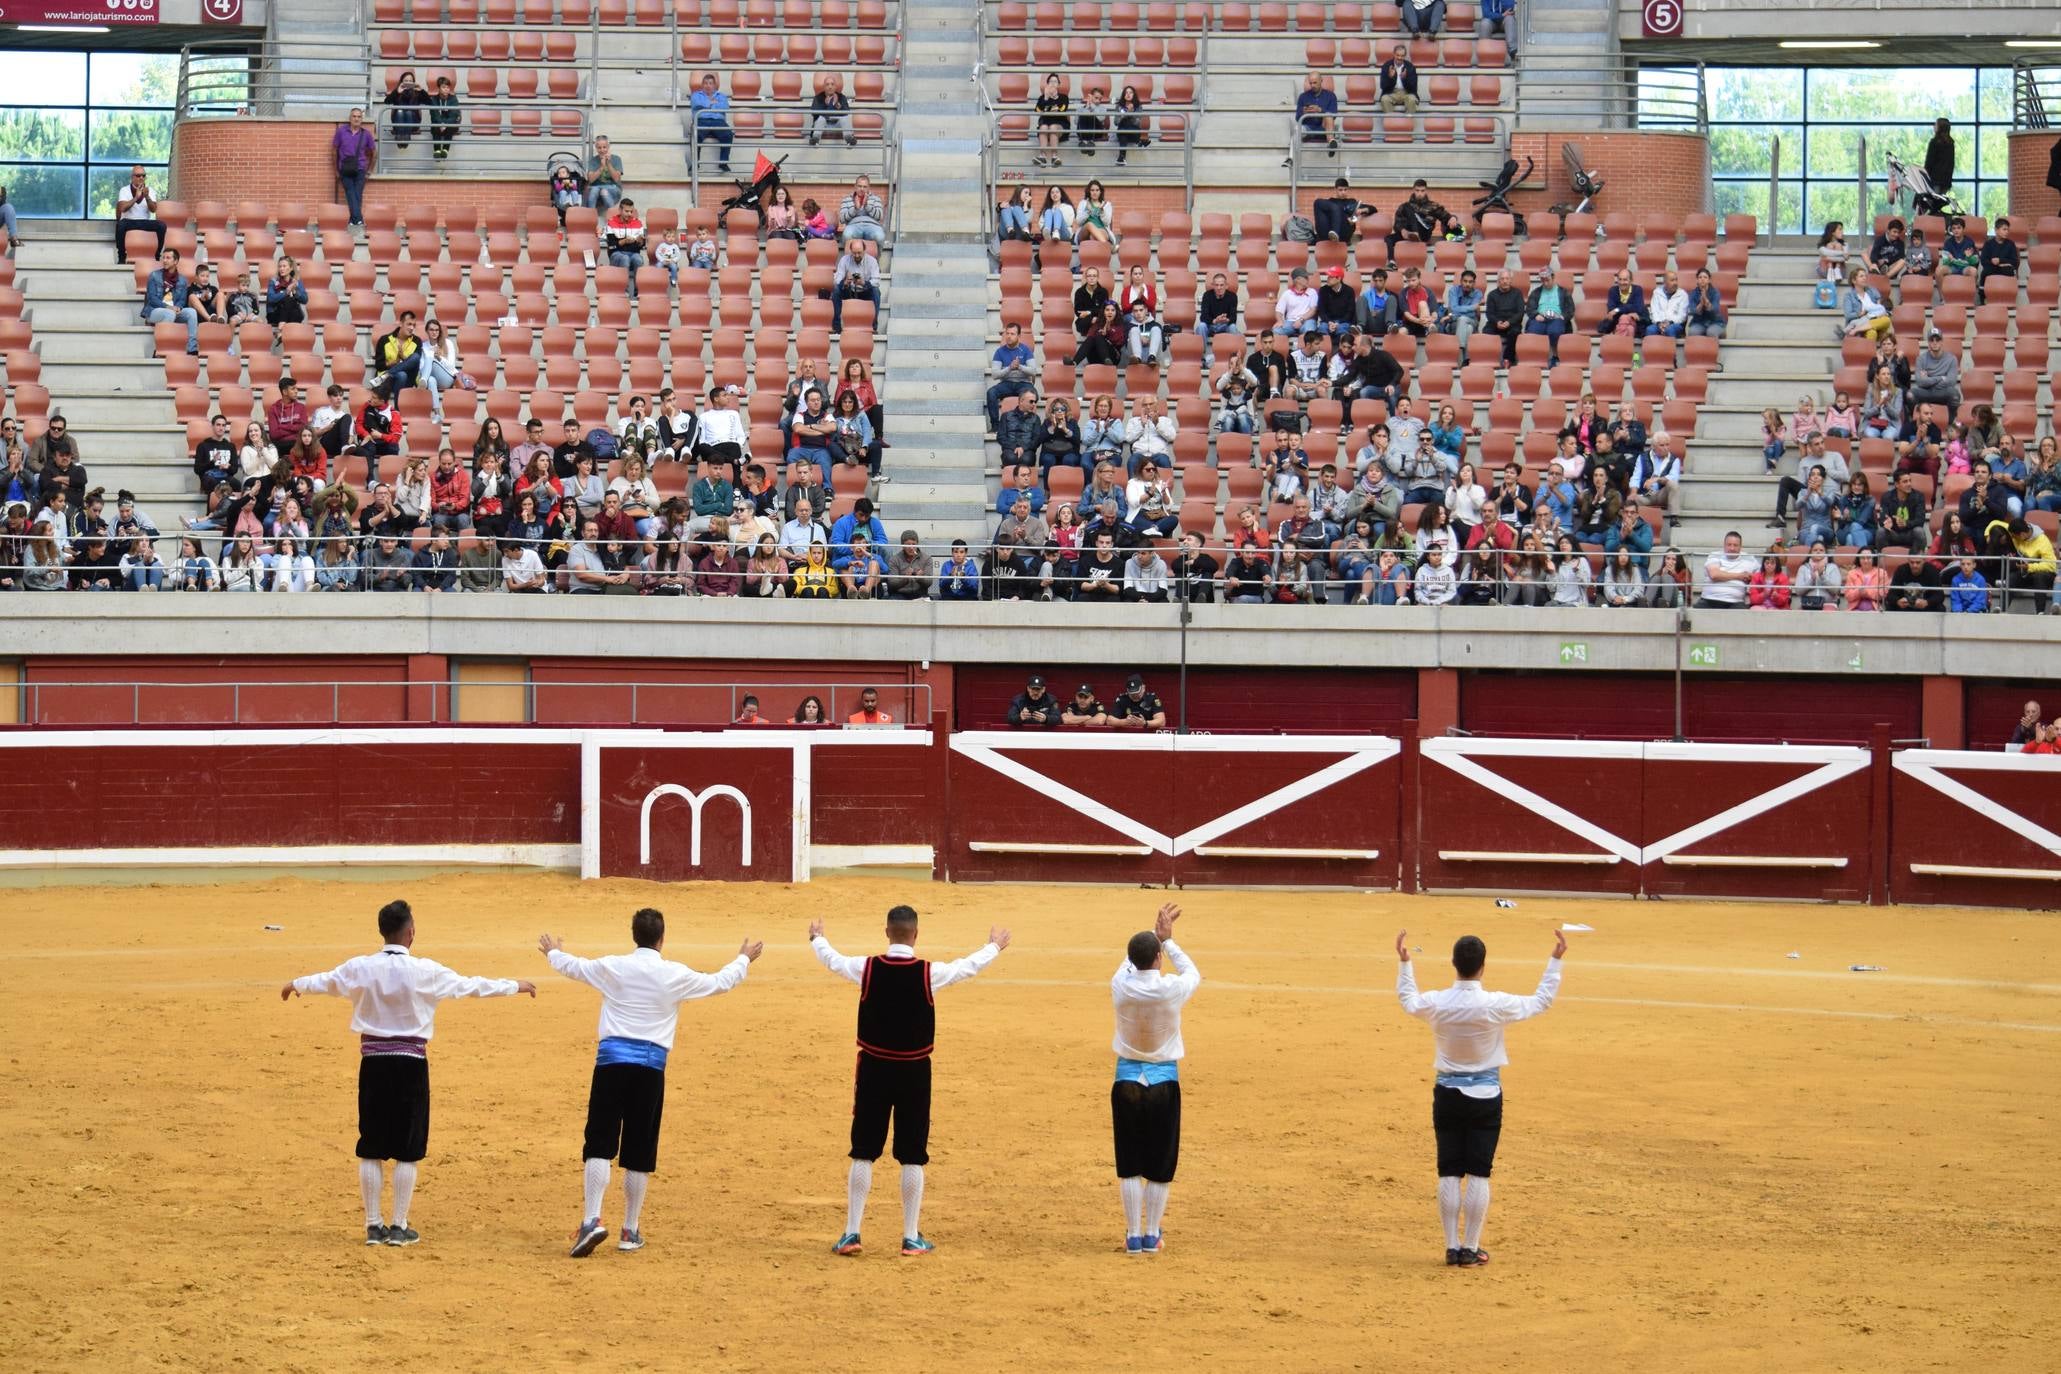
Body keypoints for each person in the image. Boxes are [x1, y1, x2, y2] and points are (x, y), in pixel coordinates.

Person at [280, 899, 537, 1247]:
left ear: (381, 931)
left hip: (373, 1064)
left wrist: (296, 982)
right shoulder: (426, 971)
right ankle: (399, 1226)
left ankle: (374, 1225)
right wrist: (515, 985)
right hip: (411, 1064)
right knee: (408, 1148)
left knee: (371, 1145)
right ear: (411, 933)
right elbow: (471, 986)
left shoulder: (360, 967)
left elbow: (326, 980)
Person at [542, 910, 762, 1259]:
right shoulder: (674, 974)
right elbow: (720, 982)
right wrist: (743, 959)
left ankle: (591, 1219)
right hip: (650, 1068)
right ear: (662, 939)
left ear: (634, 936)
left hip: (611, 1063)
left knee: (599, 1142)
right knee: (639, 1149)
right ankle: (630, 1229)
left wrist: (553, 951)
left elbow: (573, 966)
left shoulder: (613, 966)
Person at [811, 907, 1011, 1257]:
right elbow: (967, 967)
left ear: (887, 932)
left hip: (874, 1067)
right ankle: (910, 1235)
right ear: (915, 935)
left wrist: (817, 938)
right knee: (912, 1154)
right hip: (915, 1071)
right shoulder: (929, 973)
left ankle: (852, 1232)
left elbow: (833, 960)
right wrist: (993, 946)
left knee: (863, 1150)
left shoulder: (868, 968)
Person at [1395, 926, 1565, 1268]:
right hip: (1486, 1094)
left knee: (1448, 1170)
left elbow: (1408, 1001)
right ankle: (1470, 1249)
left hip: (1447, 1093)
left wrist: (1405, 964)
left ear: (1453, 964)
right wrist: (1555, 960)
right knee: (1478, 1172)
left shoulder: (1438, 1002)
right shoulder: (1494, 1004)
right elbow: (1541, 1001)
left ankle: (1451, 1246)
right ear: (1482, 966)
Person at [1109, 902, 1199, 1256]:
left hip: (1127, 1080)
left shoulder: (1121, 986)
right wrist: (1168, 941)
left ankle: (1133, 1235)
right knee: (1160, 1163)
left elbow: (1126, 964)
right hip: (1163, 1082)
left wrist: (1152, 942)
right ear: (1159, 960)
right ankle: (1151, 1234)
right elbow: (1193, 972)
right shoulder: (1172, 988)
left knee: (1129, 1160)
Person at [142, 248, 199, 356]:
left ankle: (192, 349)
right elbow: (152, 299)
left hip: (173, 311)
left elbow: (182, 300)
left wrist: (178, 307)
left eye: (168, 258)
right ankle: (161, 349)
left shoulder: (182, 280)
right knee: (169, 313)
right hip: (154, 311)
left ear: (176, 261)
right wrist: (168, 308)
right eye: (163, 257)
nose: (164, 260)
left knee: (191, 312)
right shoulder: (154, 276)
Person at [332, 109, 378, 227]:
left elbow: (374, 152)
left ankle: (353, 220)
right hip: (345, 168)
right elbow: (334, 151)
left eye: (359, 117)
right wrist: (336, 169)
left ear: (361, 119)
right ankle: (359, 220)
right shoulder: (341, 132)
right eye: (354, 116)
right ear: (350, 118)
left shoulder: (366, 134)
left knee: (357, 194)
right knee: (351, 192)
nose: (356, 119)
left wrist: (370, 170)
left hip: (360, 169)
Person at [113, 165, 165, 264]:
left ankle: (157, 255)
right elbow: (122, 208)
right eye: (138, 175)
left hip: (145, 221)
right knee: (120, 225)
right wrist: (136, 198)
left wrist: (147, 197)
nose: (141, 178)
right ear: (132, 177)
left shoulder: (150, 191)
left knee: (162, 226)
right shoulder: (124, 190)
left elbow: (153, 210)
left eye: (143, 175)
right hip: (129, 222)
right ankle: (122, 256)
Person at [1698, 530, 1756, 608]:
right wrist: (1740, 576)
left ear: (1740, 546)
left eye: (1735, 545)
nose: (1732, 548)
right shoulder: (1715, 555)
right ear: (1724, 545)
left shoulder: (1749, 559)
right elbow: (1714, 575)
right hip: (1709, 599)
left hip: (1736, 602)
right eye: (1729, 545)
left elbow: (1760, 576)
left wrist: (1750, 577)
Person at [689, 73, 734, 174]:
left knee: (728, 135)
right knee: (695, 135)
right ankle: (695, 162)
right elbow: (696, 105)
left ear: (714, 85)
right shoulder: (696, 95)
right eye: (705, 83)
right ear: (702, 85)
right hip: (701, 121)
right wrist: (711, 103)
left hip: (718, 122)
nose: (708, 85)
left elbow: (725, 107)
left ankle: (723, 162)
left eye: (710, 83)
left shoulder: (721, 96)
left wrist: (706, 106)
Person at [1294, 73, 1338, 156]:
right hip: (1309, 129)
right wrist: (1303, 112)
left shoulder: (1331, 96)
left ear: (1321, 81)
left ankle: (1331, 143)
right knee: (1296, 129)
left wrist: (1319, 110)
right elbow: (1297, 118)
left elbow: (1334, 114)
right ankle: (1291, 158)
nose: (1312, 85)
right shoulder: (1303, 96)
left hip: (1325, 129)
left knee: (1328, 115)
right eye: (1310, 83)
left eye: (1315, 83)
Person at [838, 175, 888, 247]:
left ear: (869, 188)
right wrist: (855, 209)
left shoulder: (876, 198)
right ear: (855, 186)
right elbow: (842, 219)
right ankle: (850, 258)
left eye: (865, 187)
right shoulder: (846, 199)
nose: (862, 189)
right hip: (853, 225)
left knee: (880, 236)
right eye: (859, 186)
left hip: (872, 225)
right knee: (847, 235)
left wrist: (867, 206)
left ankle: (876, 258)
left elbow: (880, 217)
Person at [1034, 73, 1071, 170]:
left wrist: (1053, 99)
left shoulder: (1064, 97)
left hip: (1060, 125)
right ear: (1047, 84)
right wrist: (1046, 98)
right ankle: (1042, 156)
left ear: (1058, 85)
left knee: (1053, 127)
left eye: (1055, 81)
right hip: (1045, 124)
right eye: (1050, 81)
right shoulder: (1042, 98)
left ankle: (1055, 156)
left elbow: (1061, 110)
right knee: (1043, 127)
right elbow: (1038, 110)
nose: (1053, 84)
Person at [809, 72, 855, 147]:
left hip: (838, 125)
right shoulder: (818, 98)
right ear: (824, 87)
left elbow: (847, 112)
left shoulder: (841, 97)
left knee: (845, 118)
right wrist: (826, 105)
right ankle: (815, 139)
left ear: (835, 87)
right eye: (827, 84)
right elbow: (814, 113)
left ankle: (849, 139)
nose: (830, 87)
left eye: (832, 84)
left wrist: (838, 106)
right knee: (821, 118)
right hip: (824, 125)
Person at [385, 71, 427, 151]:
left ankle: (404, 138)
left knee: (408, 112)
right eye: (406, 81)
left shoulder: (417, 92)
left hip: (413, 122)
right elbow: (387, 101)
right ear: (402, 82)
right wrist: (397, 92)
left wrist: (421, 90)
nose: (408, 83)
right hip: (398, 120)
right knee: (400, 111)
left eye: (410, 81)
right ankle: (402, 138)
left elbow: (429, 102)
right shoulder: (398, 91)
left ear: (413, 82)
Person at [586, 135, 625, 211]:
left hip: (613, 187)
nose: (602, 150)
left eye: (604, 147)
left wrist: (608, 163)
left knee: (604, 191)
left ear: (608, 147)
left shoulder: (616, 159)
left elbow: (617, 179)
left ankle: (612, 217)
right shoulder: (593, 160)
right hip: (596, 188)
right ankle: (590, 217)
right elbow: (590, 180)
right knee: (594, 190)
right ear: (596, 148)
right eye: (599, 148)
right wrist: (602, 167)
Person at [1378, 45, 1420, 115]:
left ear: (1405, 56)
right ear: (1394, 54)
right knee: (1384, 99)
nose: (1400, 58)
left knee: (1412, 99)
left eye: (1402, 56)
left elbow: (1413, 88)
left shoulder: (1410, 66)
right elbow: (1383, 86)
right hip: (1392, 92)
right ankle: (1391, 122)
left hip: (1406, 92)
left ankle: (1408, 122)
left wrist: (1405, 79)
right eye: (1398, 55)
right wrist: (1390, 77)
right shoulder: (1387, 65)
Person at [427, 75, 460, 161]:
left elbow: (454, 115)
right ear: (439, 88)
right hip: (438, 123)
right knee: (435, 125)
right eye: (443, 87)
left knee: (450, 126)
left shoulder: (453, 99)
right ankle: (437, 150)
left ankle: (445, 149)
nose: (446, 89)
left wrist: (445, 124)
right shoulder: (434, 99)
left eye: (448, 87)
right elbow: (434, 114)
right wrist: (441, 123)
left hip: (450, 124)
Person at [1924, 116, 1955, 197]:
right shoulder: (1951, 144)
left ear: (1940, 127)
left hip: (1934, 179)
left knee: (1932, 203)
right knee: (1939, 201)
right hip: (1946, 181)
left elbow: (1929, 162)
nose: (1934, 126)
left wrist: (1924, 177)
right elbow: (1951, 164)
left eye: (1935, 125)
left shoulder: (1934, 143)